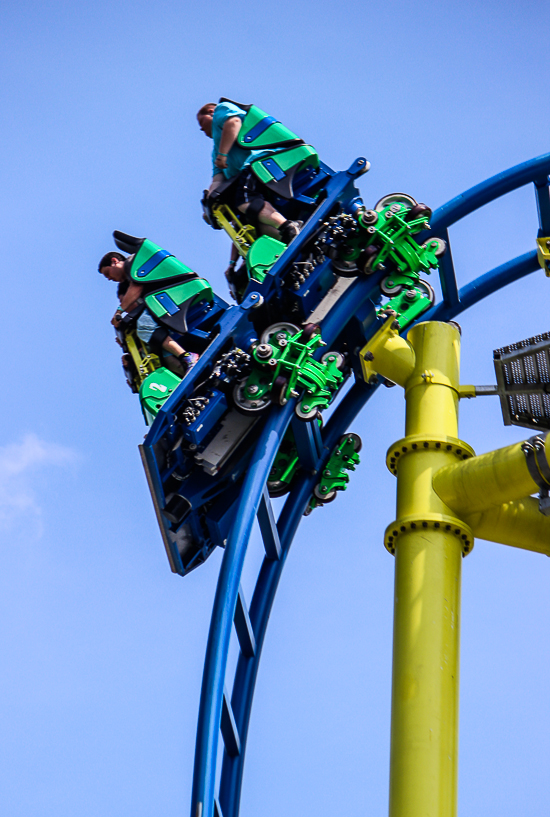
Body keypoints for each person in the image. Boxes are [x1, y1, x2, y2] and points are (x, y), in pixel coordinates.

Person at [197, 101, 302, 280]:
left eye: (202, 123)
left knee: (245, 202)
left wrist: (223, 155)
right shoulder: (216, 150)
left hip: (260, 162)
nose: (201, 130)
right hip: (249, 174)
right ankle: (289, 248)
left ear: (211, 112)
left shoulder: (221, 112)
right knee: (251, 221)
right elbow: (218, 179)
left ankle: (289, 227)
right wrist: (209, 204)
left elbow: (234, 122)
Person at [98, 251, 199, 375]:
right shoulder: (130, 279)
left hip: (178, 293)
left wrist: (119, 311)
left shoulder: (134, 263)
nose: (108, 278)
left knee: (145, 326)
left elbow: (136, 288)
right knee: (156, 346)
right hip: (169, 300)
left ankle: (187, 357)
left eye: (107, 273)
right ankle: (188, 373)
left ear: (114, 261)